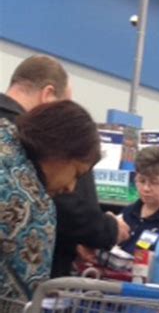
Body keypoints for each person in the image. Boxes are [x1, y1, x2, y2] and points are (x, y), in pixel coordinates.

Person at [0, 55, 129, 274]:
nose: (70, 186)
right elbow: (71, 209)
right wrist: (105, 230)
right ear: (48, 95)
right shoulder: (28, 148)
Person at [0, 100, 101, 298]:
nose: (71, 187)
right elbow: (25, 296)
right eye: (76, 174)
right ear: (60, 153)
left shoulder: (4, 133)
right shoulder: (33, 205)